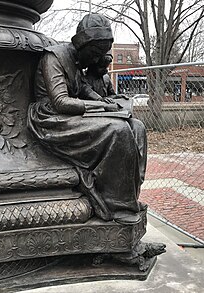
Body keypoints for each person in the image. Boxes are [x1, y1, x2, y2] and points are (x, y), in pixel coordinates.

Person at [28, 13, 147, 224]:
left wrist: (106, 102)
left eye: (99, 55)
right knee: (117, 130)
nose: (95, 61)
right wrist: (101, 106)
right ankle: (116, 206)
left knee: (136, 127)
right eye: (93, 54)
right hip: (50, 119)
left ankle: (129, 196)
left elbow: (82, 87)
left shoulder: (78, 62)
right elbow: (60, 102)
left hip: (70, 114)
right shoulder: (53, 57)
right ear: (81, 46)